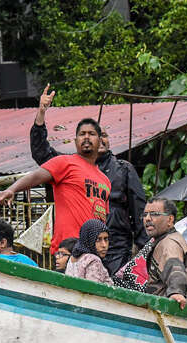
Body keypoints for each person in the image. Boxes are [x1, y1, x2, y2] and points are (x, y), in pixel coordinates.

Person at [29, 85, 148, 274]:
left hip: (115, 250)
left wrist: (144, 250)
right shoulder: (68, 165)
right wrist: (41, 114)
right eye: (85, 134)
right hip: (73, 247)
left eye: (100, 135)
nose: (93, 139)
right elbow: (41, 152)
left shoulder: (123, 169)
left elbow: (139, 210)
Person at [0, 118, 111, 255]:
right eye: (82, 134)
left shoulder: (105, 180)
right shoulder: (65, 162)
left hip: (93, 251)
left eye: (91, 134)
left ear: (99, 140)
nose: (86, 137)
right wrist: (12, 189)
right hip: (69, 249)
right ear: (75, 141)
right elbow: (36, 176)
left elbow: (103, 218)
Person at [142, 198, 187, 308]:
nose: (147, 218)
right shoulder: (165, 239)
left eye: (154, 214)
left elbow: (174, 267)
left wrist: (176, 292)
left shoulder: (170, 243)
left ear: (170, 219)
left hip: (186, 311)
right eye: (145, 215)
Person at [65, 219, 112, 285]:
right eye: (98, 240)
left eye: (106, 239)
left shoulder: (73, 258)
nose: (104, 245)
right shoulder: (93, 260)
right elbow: (94, 288)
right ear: (89, 240)